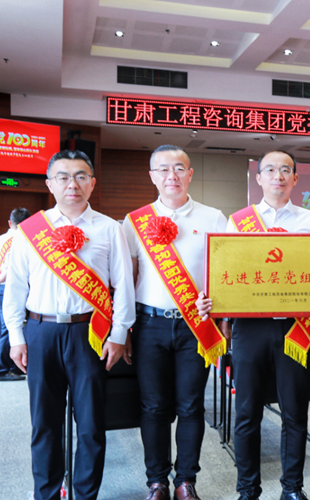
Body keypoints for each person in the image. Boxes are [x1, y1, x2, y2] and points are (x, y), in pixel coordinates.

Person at [196, 150, 310, 500]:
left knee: (295, 412)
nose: (278, 176)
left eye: (286, 170)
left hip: (296, 328)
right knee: (247, 412)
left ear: (295, 178)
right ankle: (248, 489)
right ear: (259, 177)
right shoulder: (239, 221)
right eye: (271, 170)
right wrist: (216, 305)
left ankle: (292, 488)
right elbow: (228, 273)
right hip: (251, 328)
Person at [4, 150, 136, 500]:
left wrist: (119, 334)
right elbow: (15, 287)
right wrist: (16, 336)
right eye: (63, 177)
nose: (72, 184)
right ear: (50, 184)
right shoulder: (31, 231)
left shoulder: (109, 228)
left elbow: (124, 286)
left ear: (92, 183)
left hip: (88, 334)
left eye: (80, 176)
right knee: (44, 423)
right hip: (41, 332)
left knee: (91, 424)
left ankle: (85, 494)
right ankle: (46, 493)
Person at [122, 145, 228, 500]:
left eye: (180, 168)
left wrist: (221, 310)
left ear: (190, 174)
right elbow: (127, 280)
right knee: (153, 406)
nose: (172, 176)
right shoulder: (134, 221)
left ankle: (186, 480)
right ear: (152, 176)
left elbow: (226, 274)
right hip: (149, 325)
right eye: (164, 169)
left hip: (194, 326)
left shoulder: (214, 218)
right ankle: (157, 481)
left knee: (191, 405)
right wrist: (123, 330)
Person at [0, 207, 31, 381]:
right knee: (9, 329)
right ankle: (2, 370)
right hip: (8, 288)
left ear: (10, 223)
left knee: (6, 327)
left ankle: (14, 366)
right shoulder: (24, 240)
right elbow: (12, 268)